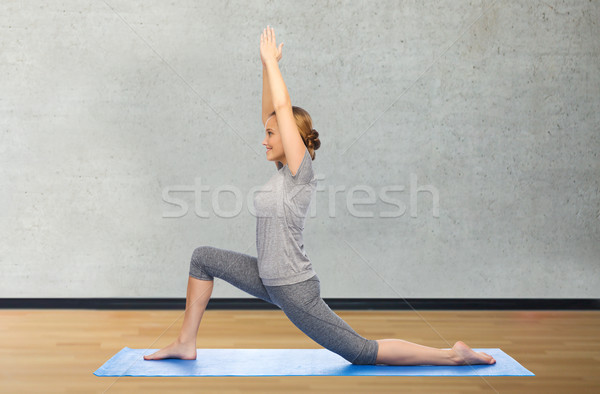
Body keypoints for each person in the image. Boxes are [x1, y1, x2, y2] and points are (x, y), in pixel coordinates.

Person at [144, 26, 496, 366]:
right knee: (202, 258)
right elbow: (273, 110)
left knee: (361, 352)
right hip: (268, 279)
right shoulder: (282, 173)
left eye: (271, 134)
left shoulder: (300, 175)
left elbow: (282, 110)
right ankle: (185, 342)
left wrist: (271, 64)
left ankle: (452, 354)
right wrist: (266, 67)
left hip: (295, 289)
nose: (264, 139)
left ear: (290, 138)